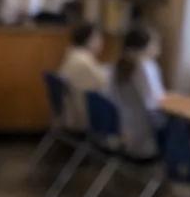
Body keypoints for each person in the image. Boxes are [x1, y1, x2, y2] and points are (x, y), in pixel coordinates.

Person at [112, 25, 166, 159]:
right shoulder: (145, 66)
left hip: (126, 129)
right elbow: (155, 101)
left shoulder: (120, 65)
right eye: (155, 42)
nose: (158, 46)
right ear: (146, 45)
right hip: (144, 134)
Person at [57, 21, 109, 130]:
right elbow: (105, 85)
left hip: (74, 109)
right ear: (89, 40)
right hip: (84, 115)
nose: (101, 42)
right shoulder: (83, 62)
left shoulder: (75, 55)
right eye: (98, 38)